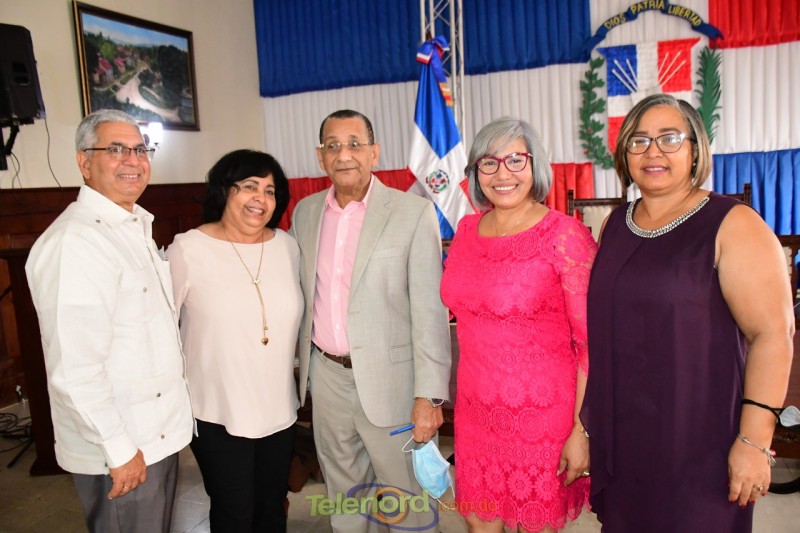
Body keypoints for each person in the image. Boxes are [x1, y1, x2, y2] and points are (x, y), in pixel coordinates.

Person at [581, 93, 794, 532]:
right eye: (639, 140)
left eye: (669, 138)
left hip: (701, 441)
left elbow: (772, 334)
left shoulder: (734, 224)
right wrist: (586, 429)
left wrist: (754, 441)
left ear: (695, 149)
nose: (653, 151)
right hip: (626, 438)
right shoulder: (615, 225)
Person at [25, 109, 193, 532]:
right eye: (115, 150)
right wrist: (119, 449)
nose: (133, 160)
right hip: (120, 450)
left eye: (139, 149)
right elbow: (74, 369)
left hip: (154, 437)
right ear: (84, 162)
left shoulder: (131, 225)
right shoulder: (77, 241)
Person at [290, 109, 451, 532]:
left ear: (374, 152)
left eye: (354, 144)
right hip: (328, 379)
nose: (344, 154)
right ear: (320, 156)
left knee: (408, 505)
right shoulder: (305, 213)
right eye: (333, 146)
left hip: (394, 384)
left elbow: (430, 312)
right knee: (345, 500)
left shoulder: (412, 212)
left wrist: (430, 396)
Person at [440, 117, 595, 532]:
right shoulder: (466, 231)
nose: (502, 173)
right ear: (476, 172)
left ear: (535, 164)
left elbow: (591, 343)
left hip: (541, 421)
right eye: (489, 162)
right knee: (479, 524)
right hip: (475, 414)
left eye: (515, 160)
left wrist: (582, 429)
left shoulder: (565, 236)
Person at [166, 150, 300, 531]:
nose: (261, 198)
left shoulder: (287, 247)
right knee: (234, 512)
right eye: (250, 187)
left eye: (270, 191)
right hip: (217, 411)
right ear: (224, 190)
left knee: (272, 509)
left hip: (279, 408)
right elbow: (160, 326)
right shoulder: (188, 249)